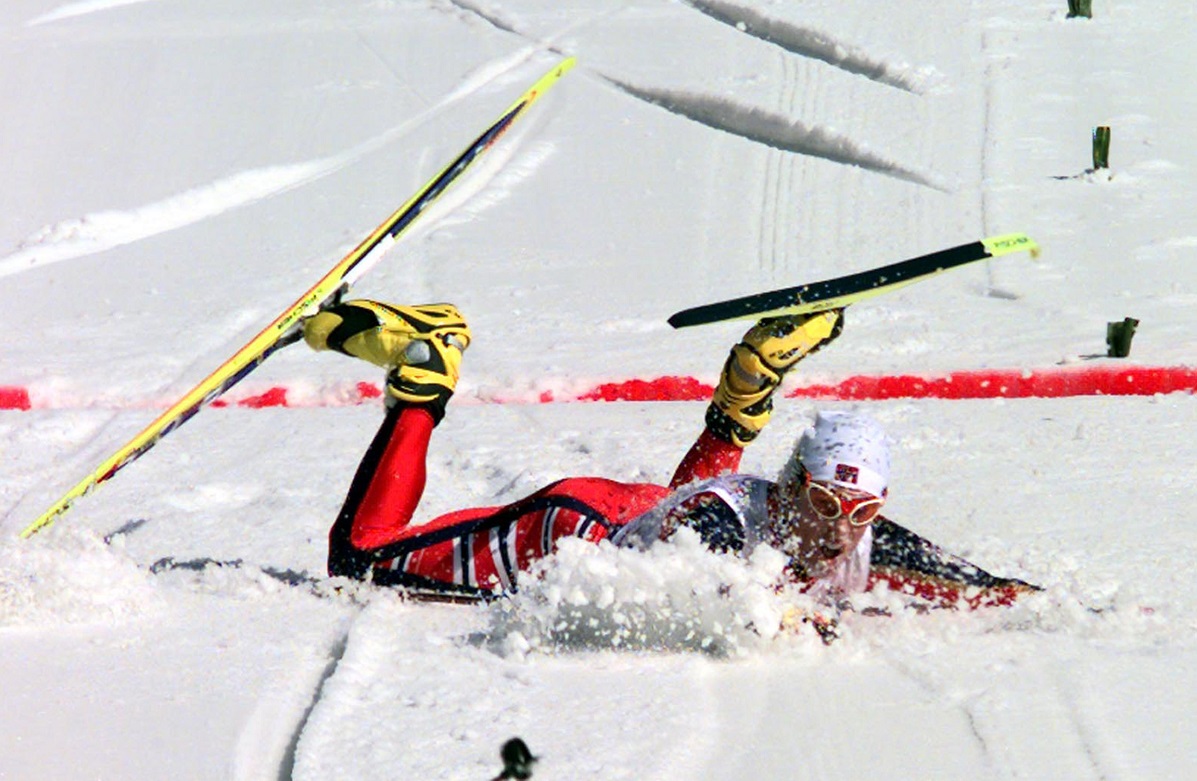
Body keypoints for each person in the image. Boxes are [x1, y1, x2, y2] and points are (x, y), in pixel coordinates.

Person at [302, 300, 1037, 609]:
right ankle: (427, 363)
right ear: (790, 487)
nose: (842, 530)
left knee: (676, 518)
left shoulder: (848, 524)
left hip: (650, 512)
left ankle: (750, 381)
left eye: (863, 511)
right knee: (362, 562)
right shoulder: (723, 521)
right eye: (823, 505)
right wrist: (785, 617)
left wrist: (1013, 594)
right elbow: (711, 570)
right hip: (569, 530)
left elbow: (945, 574)